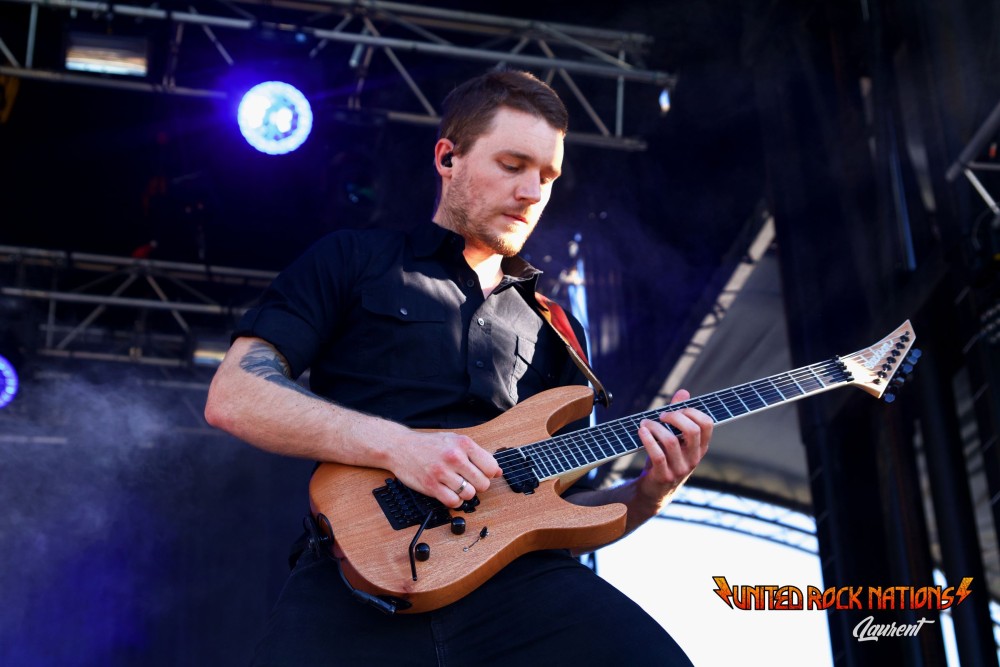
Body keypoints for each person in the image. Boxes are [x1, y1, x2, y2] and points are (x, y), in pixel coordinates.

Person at [204, 68, 714, 666]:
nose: (532, 193)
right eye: (513, 165)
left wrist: (653, 491)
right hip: (357, 577)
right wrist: (399, 447)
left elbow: (567, 512)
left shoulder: (558, 327)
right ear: (448, 158)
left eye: (547, 177)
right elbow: (235, 396)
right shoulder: (354, 259)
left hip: (521, 589)